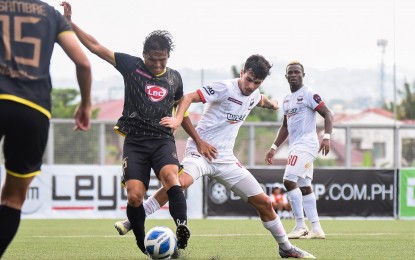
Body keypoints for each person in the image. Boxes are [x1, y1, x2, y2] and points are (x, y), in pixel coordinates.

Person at [115, 55, 316, 258]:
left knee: (264, 202)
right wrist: (178, 121)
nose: (250, 86)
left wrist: (272, 103)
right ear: (242, 72)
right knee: (179, 183)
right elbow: (187, 98)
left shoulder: (254, 94)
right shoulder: (224, 88)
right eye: (248, 79)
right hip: (200, 153)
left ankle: (286, 247)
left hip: (226, 160)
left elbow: (260, 100)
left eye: (257, 83)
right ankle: (135, 219)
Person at [60, 1, 192, 255]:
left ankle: (182, 227)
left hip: (163, 140)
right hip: (136, 142)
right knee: (134, 196)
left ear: (168, 57)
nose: (157, 64)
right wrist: (70, 24)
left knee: (171, 179)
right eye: (153, 59)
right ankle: (143, 244)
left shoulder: (175, 77)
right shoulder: (131, 66)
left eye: (162, 60)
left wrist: (177, 120)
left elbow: (181, 106)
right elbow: (97, 47)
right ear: (144, 55)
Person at [0, 0, 92, 257]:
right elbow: (83, 63)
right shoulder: (50, 14)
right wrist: (85, 104)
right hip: (34, 109)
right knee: (13, 199)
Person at [265, 61, 333, 239]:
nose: (294, 75)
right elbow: (285, 127)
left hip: (307, 145)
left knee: (288, 180)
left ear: (303, 75)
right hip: (295, 146)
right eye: (290, 72)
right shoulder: (287, 99)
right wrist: (273, 148)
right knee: (304, 185)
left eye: (297, 72)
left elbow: (328, 114)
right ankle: (316, 228)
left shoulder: (309, 93)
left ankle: (300, 226)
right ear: (286, 76)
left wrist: (326, 137)